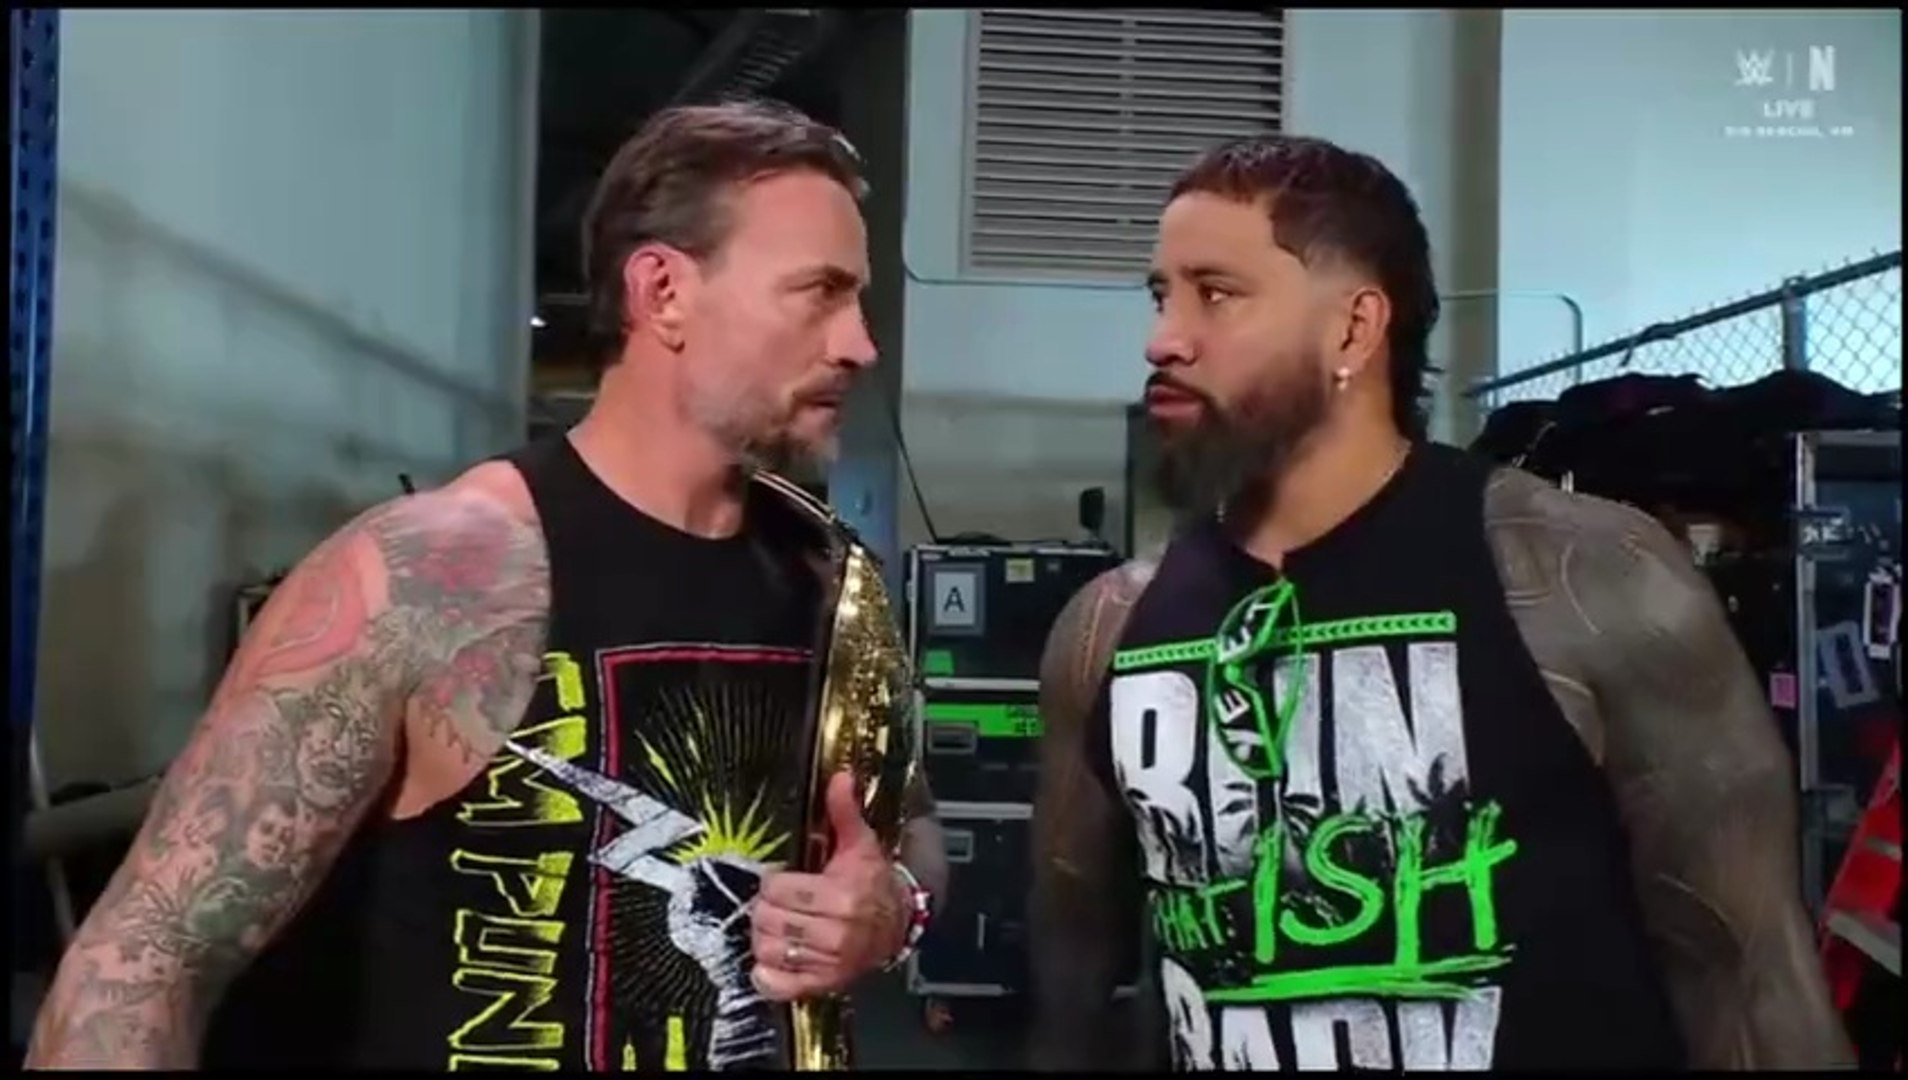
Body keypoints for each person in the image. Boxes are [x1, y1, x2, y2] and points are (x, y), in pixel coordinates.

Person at [26, 99, 948, 1072]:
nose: (859, 344)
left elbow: (910, 824)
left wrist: (897, 905)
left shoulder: (830, 578)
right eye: (819, 292)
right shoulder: (439, 574)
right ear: (664, 292)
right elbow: (144, 964)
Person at [1027, 134, 1854, 1071]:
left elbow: (1750, 983)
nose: (1163, 339)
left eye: (1215, 294)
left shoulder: (1588, 579)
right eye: (1160, 296)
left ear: (1354, 329)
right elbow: (1073, 982)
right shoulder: (1110, 628)